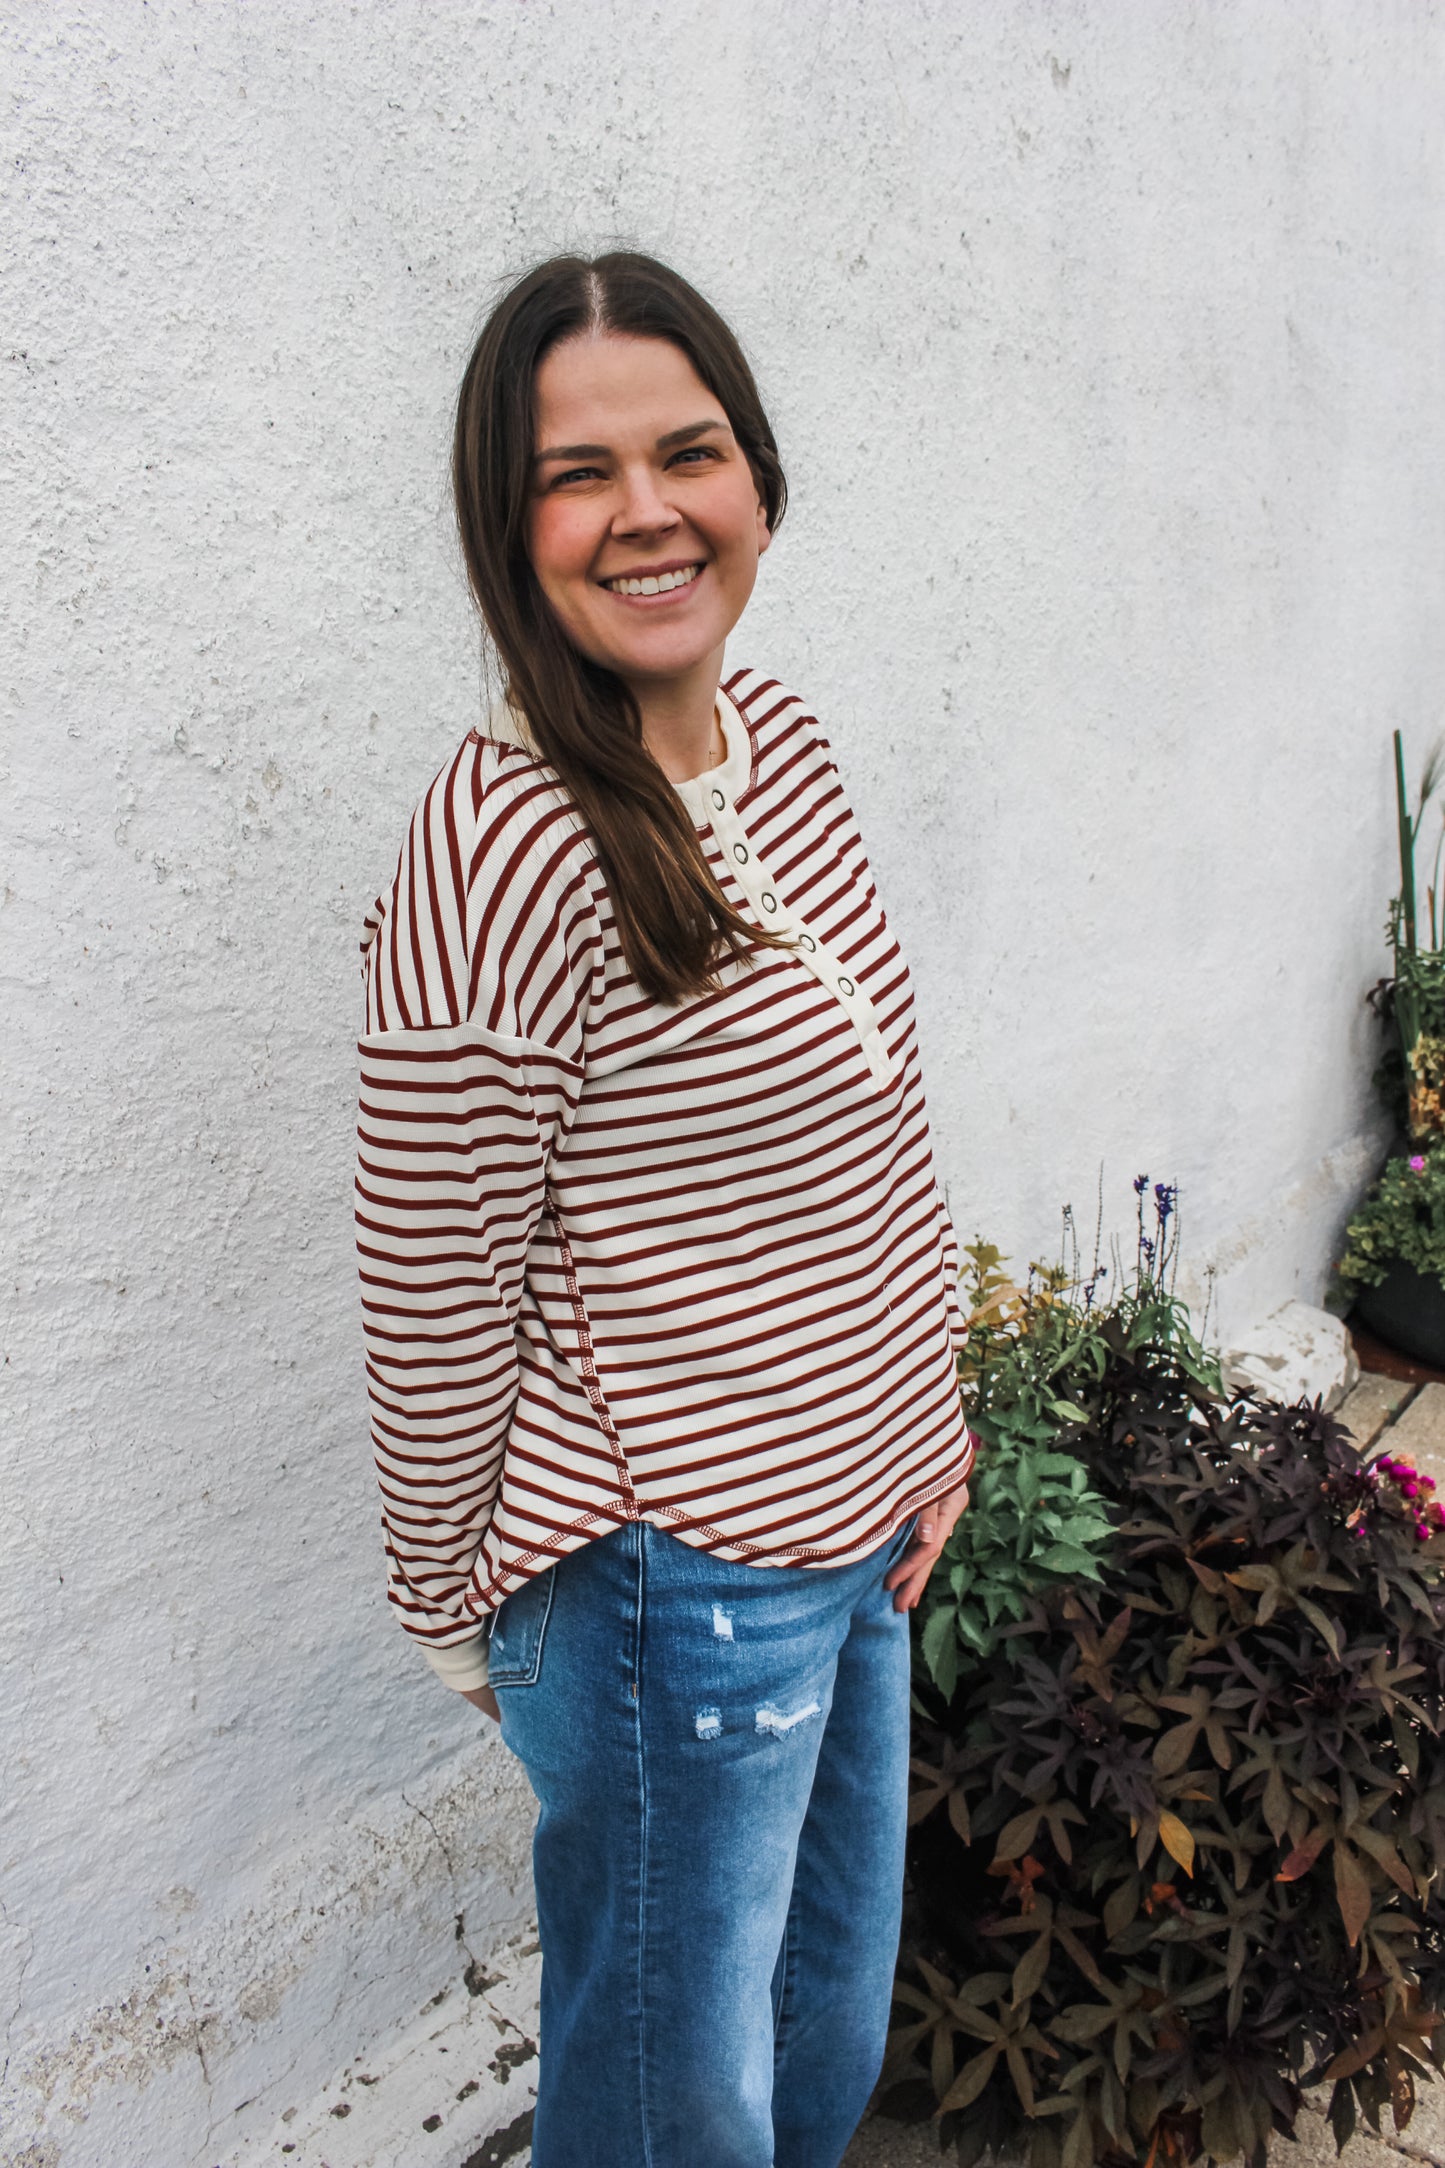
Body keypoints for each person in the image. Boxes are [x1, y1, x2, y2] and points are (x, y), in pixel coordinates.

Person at [356, 251, 973, 2168]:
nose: (644, 511)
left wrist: (924, 1413)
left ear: (756, 484)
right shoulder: (505, 846)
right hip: (666, 1584)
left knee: (823, 2030)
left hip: (852, 1529)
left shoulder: (771, 741)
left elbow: (873, 1120)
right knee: (665, 2110)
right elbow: (430, 1278)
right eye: (575, 472)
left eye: (686, 450)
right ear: (505, 524)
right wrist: (454, 1605)